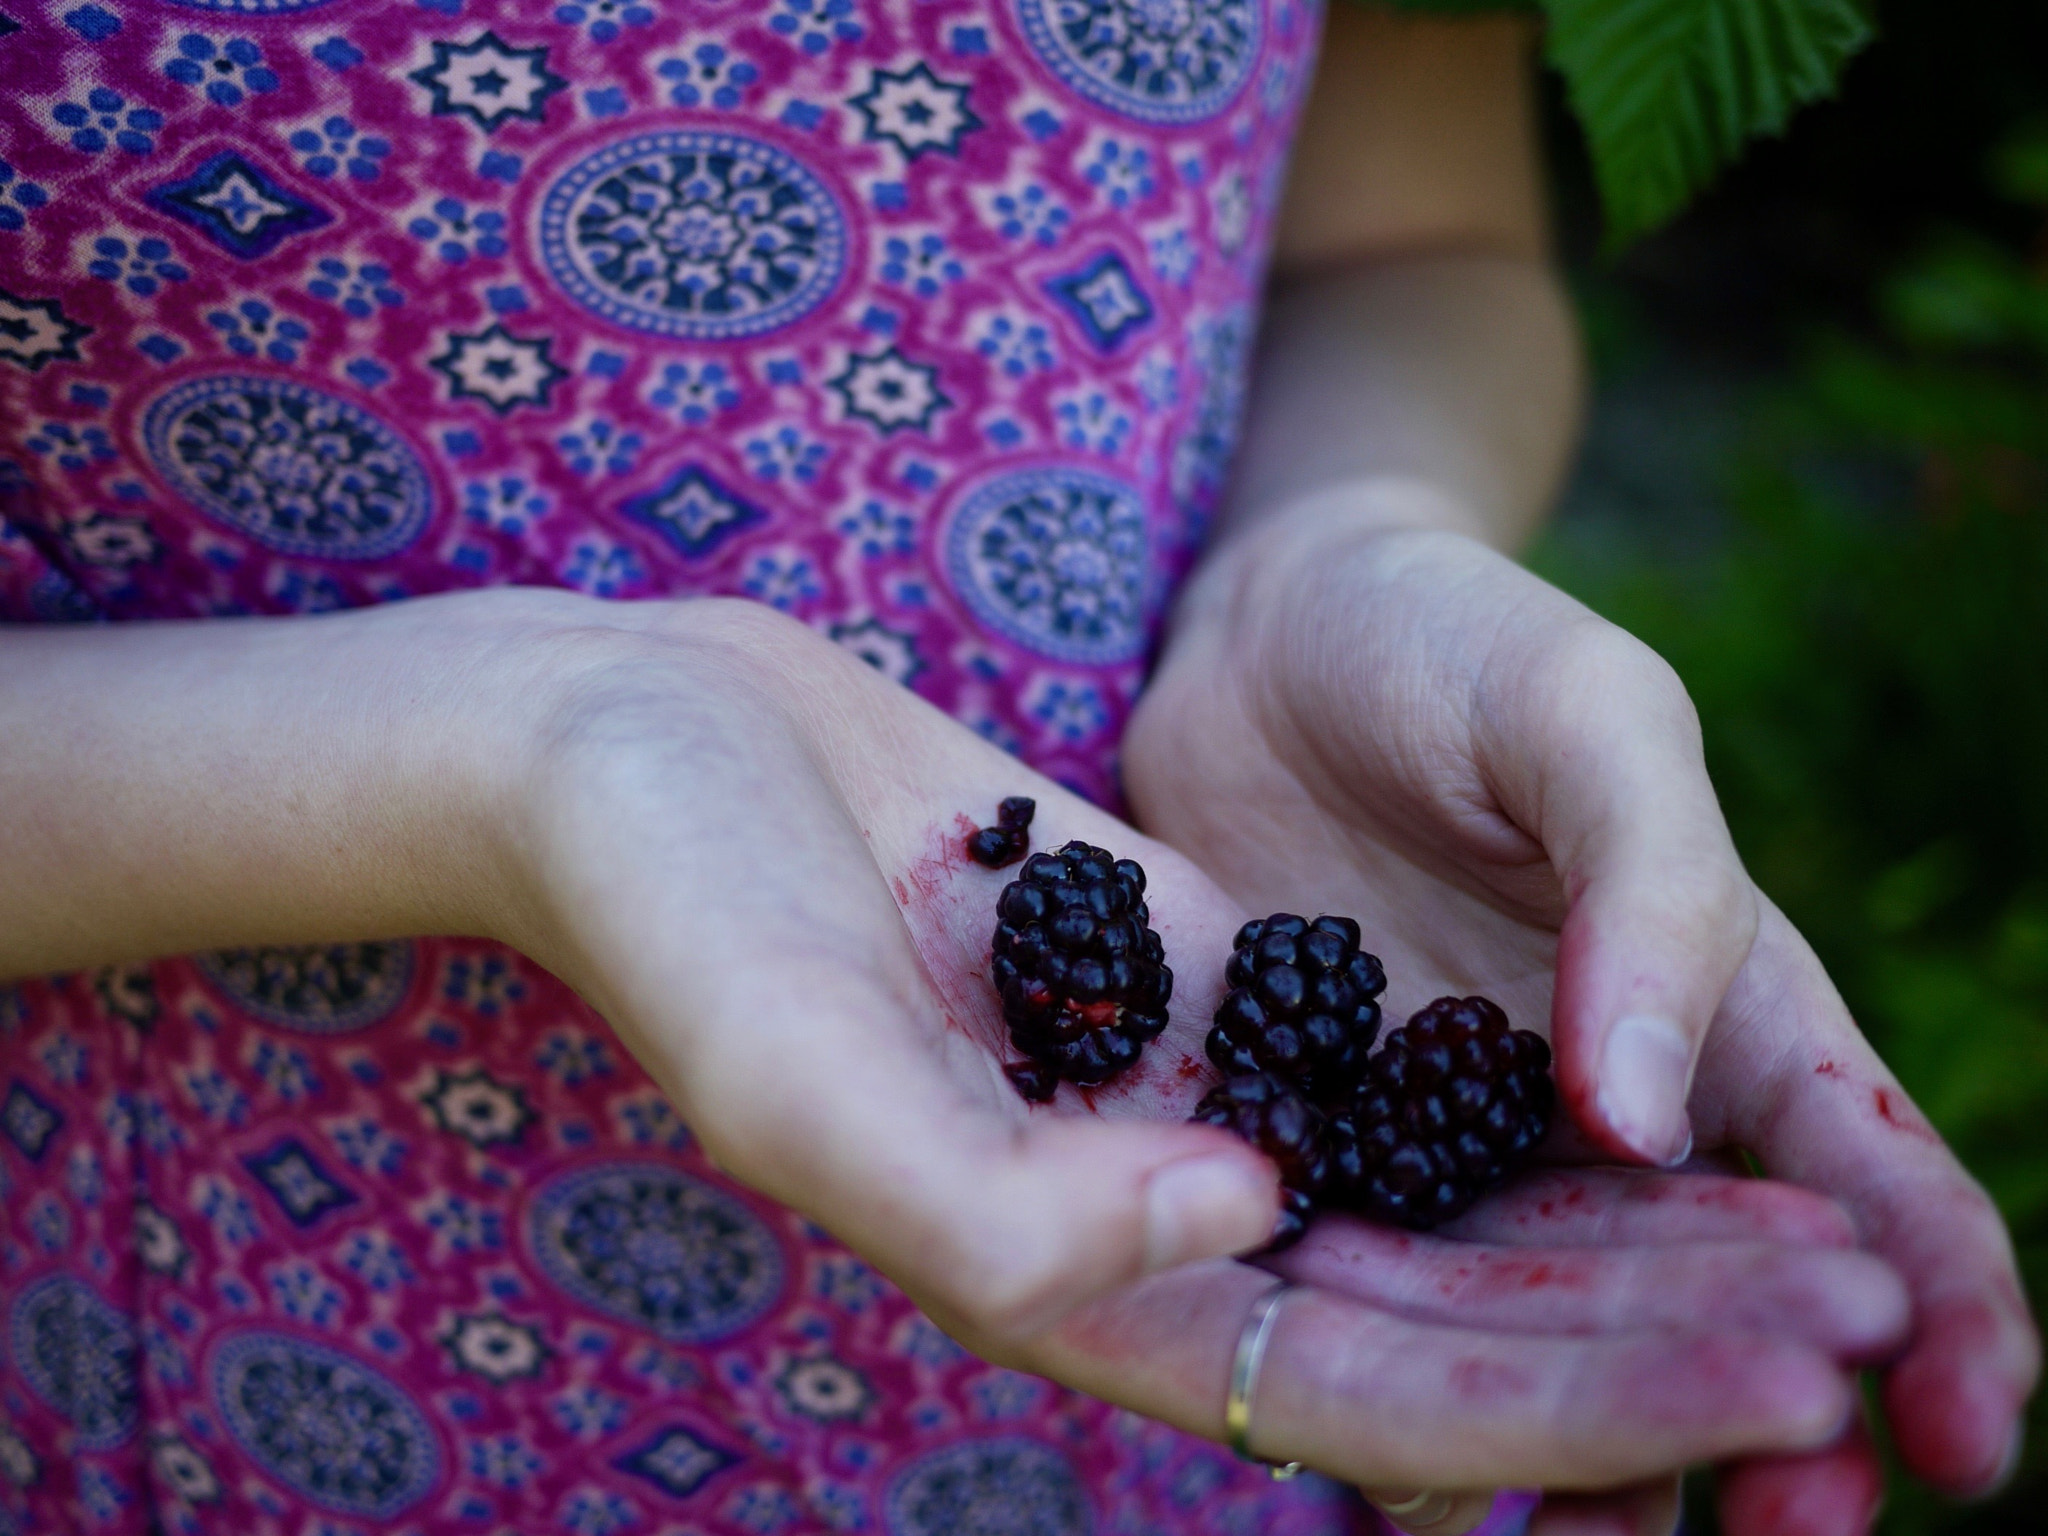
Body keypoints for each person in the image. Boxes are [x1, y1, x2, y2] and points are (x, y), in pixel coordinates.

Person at [0, 4, 2033, 1535]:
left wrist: (1334, 540)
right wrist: (510, 744)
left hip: (1143, 1363)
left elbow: (1417, 242)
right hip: (246, 1334)